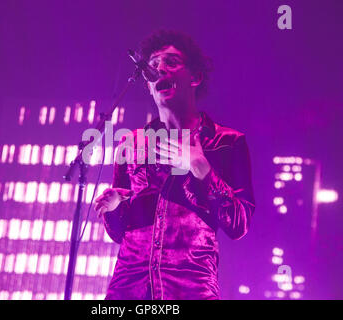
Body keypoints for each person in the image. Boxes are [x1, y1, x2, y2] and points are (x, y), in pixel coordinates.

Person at [94, 29, 255, 300]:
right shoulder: (130, 145)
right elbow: (121, 234)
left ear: (195, 77)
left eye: (171, 62)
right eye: (154, 65)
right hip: (128, 289)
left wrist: (201, 168)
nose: (160, 70)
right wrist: (114, 208)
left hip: (191, 289)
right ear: (147, 84)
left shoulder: (228, 142)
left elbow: (239, 224)